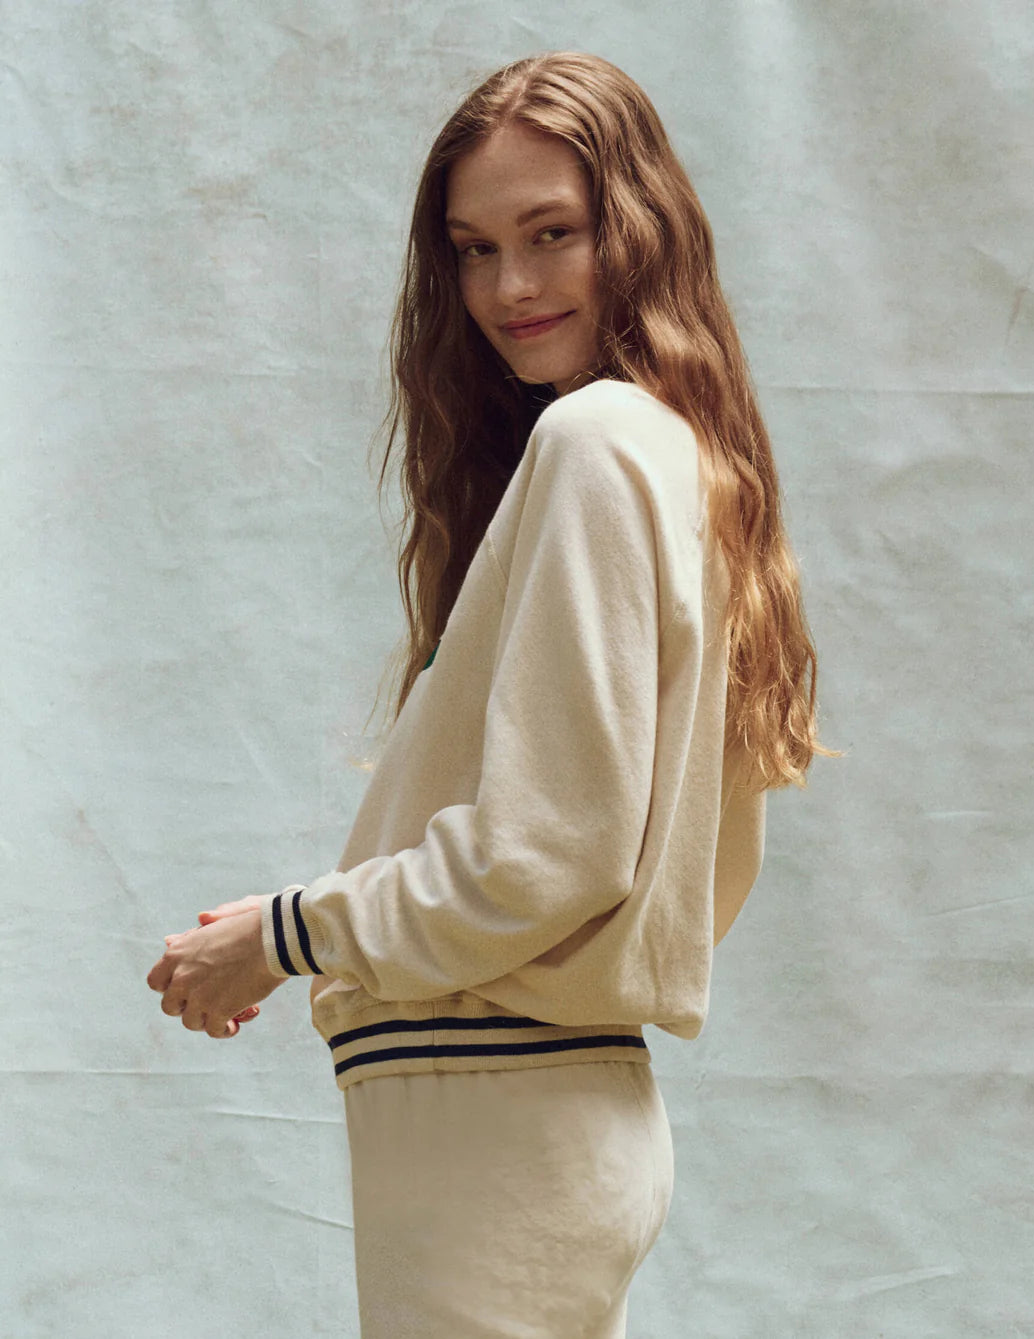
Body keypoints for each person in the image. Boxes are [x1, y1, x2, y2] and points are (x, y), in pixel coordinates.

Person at [146, 49, 839, 1337]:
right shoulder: (680, 453)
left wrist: (284, 933)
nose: (508, 287)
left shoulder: (596, 443)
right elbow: (654, 868)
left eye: (551, 234)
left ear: (634, 230)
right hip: (557, 1116)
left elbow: (545, 857)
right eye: (472, 248)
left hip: (493, 1126)